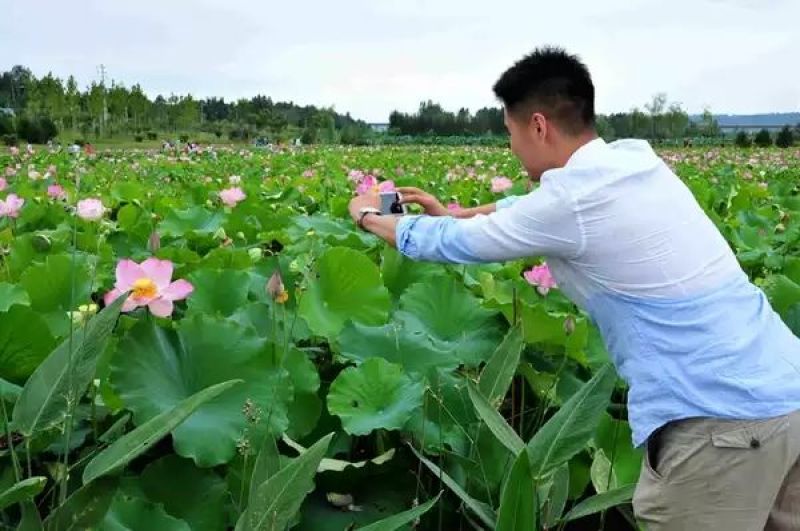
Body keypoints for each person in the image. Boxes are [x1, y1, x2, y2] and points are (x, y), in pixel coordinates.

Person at [348, 46, 800, 530]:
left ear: (538, 126)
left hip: (719, 425)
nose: (512, 148)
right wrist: (459, 213)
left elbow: (467, 241)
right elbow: (538, 209)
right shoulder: (633, 161)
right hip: (788, 396)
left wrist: (369, 216)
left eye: (511, 133)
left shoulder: (573, 201)